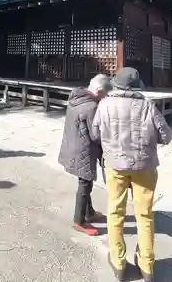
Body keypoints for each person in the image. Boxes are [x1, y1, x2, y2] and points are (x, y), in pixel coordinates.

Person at [92, 67, 172, 282]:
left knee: (115, 213)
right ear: (137, 85)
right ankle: (147, 266)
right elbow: (166, 136)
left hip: (115, 165)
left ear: (115, 84)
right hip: (144, 167)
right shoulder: (148, 106)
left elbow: (95, 133)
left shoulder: (104, 105)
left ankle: (118, 263)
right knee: (145, 216)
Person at [58, 74, 112, 236]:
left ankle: (89, 212)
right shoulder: (91, 107)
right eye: (104, 94)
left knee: (85, 182)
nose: (104, 98)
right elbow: (95, 135)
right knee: (85, 185)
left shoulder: (76, 99)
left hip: (72, 145)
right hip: (83, 151)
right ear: (99, 90)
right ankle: (79, 221)